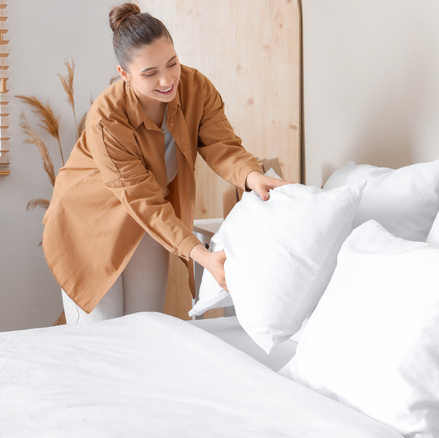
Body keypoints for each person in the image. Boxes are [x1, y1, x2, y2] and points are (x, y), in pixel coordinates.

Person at [42, 3, 288, 324]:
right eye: (150, 73)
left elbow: (222, 145)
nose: (167, 79)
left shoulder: (196, 88)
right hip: (89, 223)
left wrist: (251, 176)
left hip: (149, 220)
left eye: (172, 63)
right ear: (124, 75)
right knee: (101, 336)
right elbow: (140, 198)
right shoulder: (107, 118)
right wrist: (202, 256)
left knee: (146, 325)